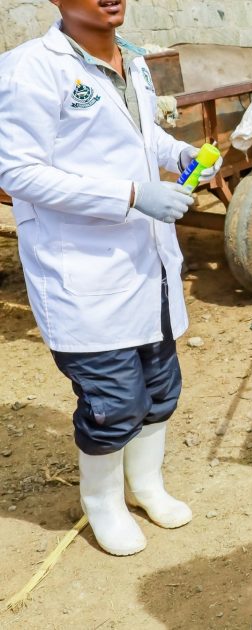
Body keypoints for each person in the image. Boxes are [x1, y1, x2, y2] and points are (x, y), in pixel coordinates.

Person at [0, 0, 219, 556]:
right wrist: (130, 195)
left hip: (147, 265)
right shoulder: (31, 69)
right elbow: (17, 171)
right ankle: (103, 503)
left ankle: (146, 485)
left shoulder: (133, 61)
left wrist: (179, 152)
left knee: (161, 389)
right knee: (114, 402)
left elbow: (143, 138)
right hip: (84, 270)